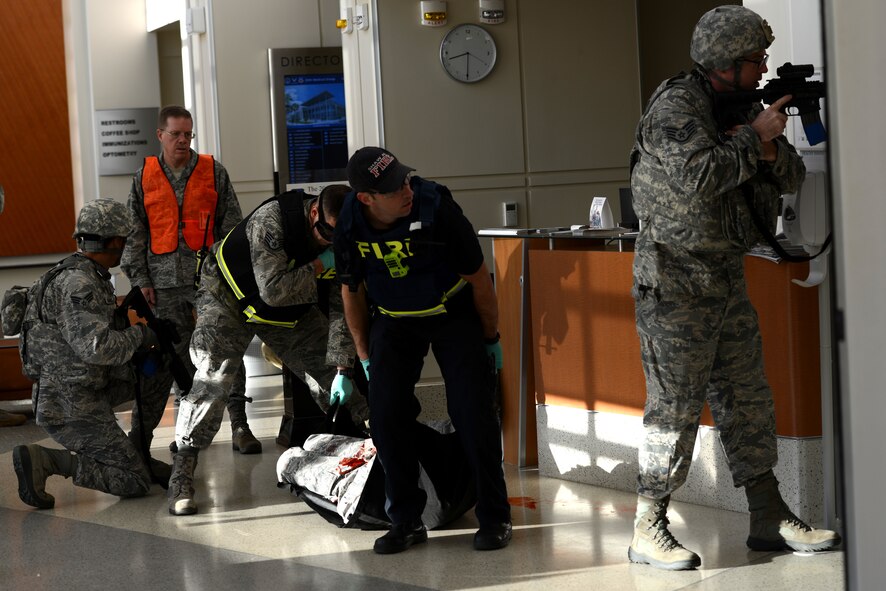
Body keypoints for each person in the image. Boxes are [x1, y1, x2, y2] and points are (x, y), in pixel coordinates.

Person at [627, 5, 840, 570]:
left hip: (723, 275)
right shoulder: (676, 107)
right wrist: (754, 138)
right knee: (673, 407)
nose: (763, 67)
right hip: (674, 279)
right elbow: (697, 177)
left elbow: (790, 174)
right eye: (755, 60)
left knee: (747, 399)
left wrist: (766, 143)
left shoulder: (740, 107)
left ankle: (767, 515)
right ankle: (648, 525)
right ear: (725, 63)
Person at [334, 147, 512, 554]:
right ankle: (406, 521)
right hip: (395, 319)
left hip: (452, 312)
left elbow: (480, 280)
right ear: (367, 198)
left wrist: (491, 340)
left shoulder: (438, 209)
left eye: (406, 178)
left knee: (472, 411)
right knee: (385, 414)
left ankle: (495, 515)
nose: (406, 189)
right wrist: (364, 358)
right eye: (394, 187)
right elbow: (351, 292)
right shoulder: (349, 223)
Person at [167, 184, 368, 516]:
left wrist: (343, 366)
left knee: (329, 373)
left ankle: (374, 444)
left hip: (283, 310)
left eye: (339, 237)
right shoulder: (272, 220)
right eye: (325, 233)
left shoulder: (344, 239)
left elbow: (341, 310)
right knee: (213, 380)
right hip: (228, 297)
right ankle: (182, 472)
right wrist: (320, 266)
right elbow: (273, 289)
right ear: (314, 211)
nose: (329, 242)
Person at [11, 199, 170, 509]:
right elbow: (96, 347)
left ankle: (137, 448)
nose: (125, 247)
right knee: (134, 480)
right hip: (68, 403)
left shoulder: (86, 273)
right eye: (123, 240)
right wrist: (141, 335)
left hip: (87, 386)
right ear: (112, 241)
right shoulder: (78, 283)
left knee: (157, 367)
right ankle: (48, 461)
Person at [120, 105, 259, 455]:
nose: (183, 140)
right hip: (162, 287)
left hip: (209, 282)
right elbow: (134, 233)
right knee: (174, 357)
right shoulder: (143, 178)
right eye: (176, 134)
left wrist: (230, 277)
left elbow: (233, 228)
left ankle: (240, 426)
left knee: (225, 352)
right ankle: (188, 429)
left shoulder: (214, 172)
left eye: (188, 134)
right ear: (160, 136)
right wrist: (140, 280)